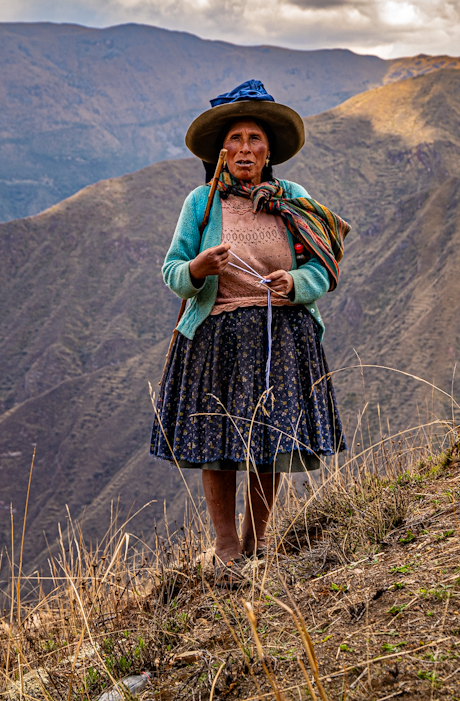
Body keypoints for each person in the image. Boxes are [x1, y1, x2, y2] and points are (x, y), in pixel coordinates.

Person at [150, 79, 350, 584]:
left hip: (282, 336)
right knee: (216, 443)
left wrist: (295, 282)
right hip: (216, 337)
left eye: (255, 140)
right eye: (235, 139)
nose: (245, 149)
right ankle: (224, 548)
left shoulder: (295, 199)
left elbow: (324, 270)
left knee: (269, 442)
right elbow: (172, 270)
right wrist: (198, 267)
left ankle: (257, 543)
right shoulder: (202, 202)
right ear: (221, 150)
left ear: (269, 151)